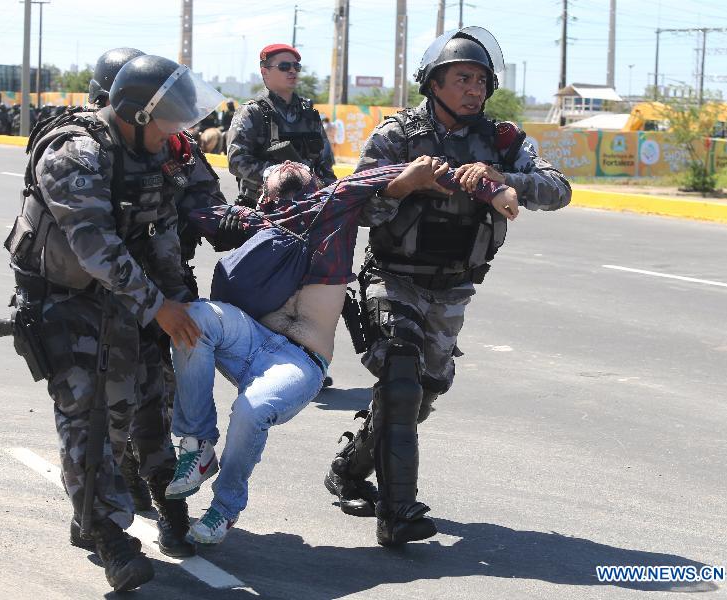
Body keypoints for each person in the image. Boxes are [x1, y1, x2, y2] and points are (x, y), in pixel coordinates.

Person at [161, 156, 510, 546]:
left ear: (315, 184)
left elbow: (407, 170)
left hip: (298, 362)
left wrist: (494, 188)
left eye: (301, 173)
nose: (291, 169)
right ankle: (197, 445)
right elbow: (193, 207)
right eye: (280, 174)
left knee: (251, 410)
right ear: (263, 196)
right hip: (248, 343)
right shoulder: (253, 221)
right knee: (191, 318)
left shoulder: (332, 209)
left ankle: (224, 508)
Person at [323, 26, 572, 547]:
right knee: (399, 375)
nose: (475, 89)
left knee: (422, 396)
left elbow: (558, 189)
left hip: (455, 288)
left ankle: (349, 467)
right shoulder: (397, 136)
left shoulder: (502, 141)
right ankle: (398, 514)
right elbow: (359, 207)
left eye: (481, 80)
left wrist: (504, 181)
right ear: (434, 83)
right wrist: (404, 183)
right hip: (395, 279)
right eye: (463, 78)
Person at [0, 53, 226, 590]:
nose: (180, 134)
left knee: (154, 394)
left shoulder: (157, 152)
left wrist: (177, 303)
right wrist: (160, 307)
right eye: (171, 122)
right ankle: (105, 532)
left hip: (132, 294)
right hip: (67, 297)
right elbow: (96, 248)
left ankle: (164, 495)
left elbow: (164, 231)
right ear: (138, 116)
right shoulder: (74, 153)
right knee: (89, 409)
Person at [226, 43, 336, 209]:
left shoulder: (308, 113)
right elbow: (237, 161)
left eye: (296, 66)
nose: (292, 70)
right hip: (263, 208)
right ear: (265, 72)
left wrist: (330, 195)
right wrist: (282, 177)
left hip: (308, 208)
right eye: (284, 66)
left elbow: (325, 164)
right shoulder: (251, 112)